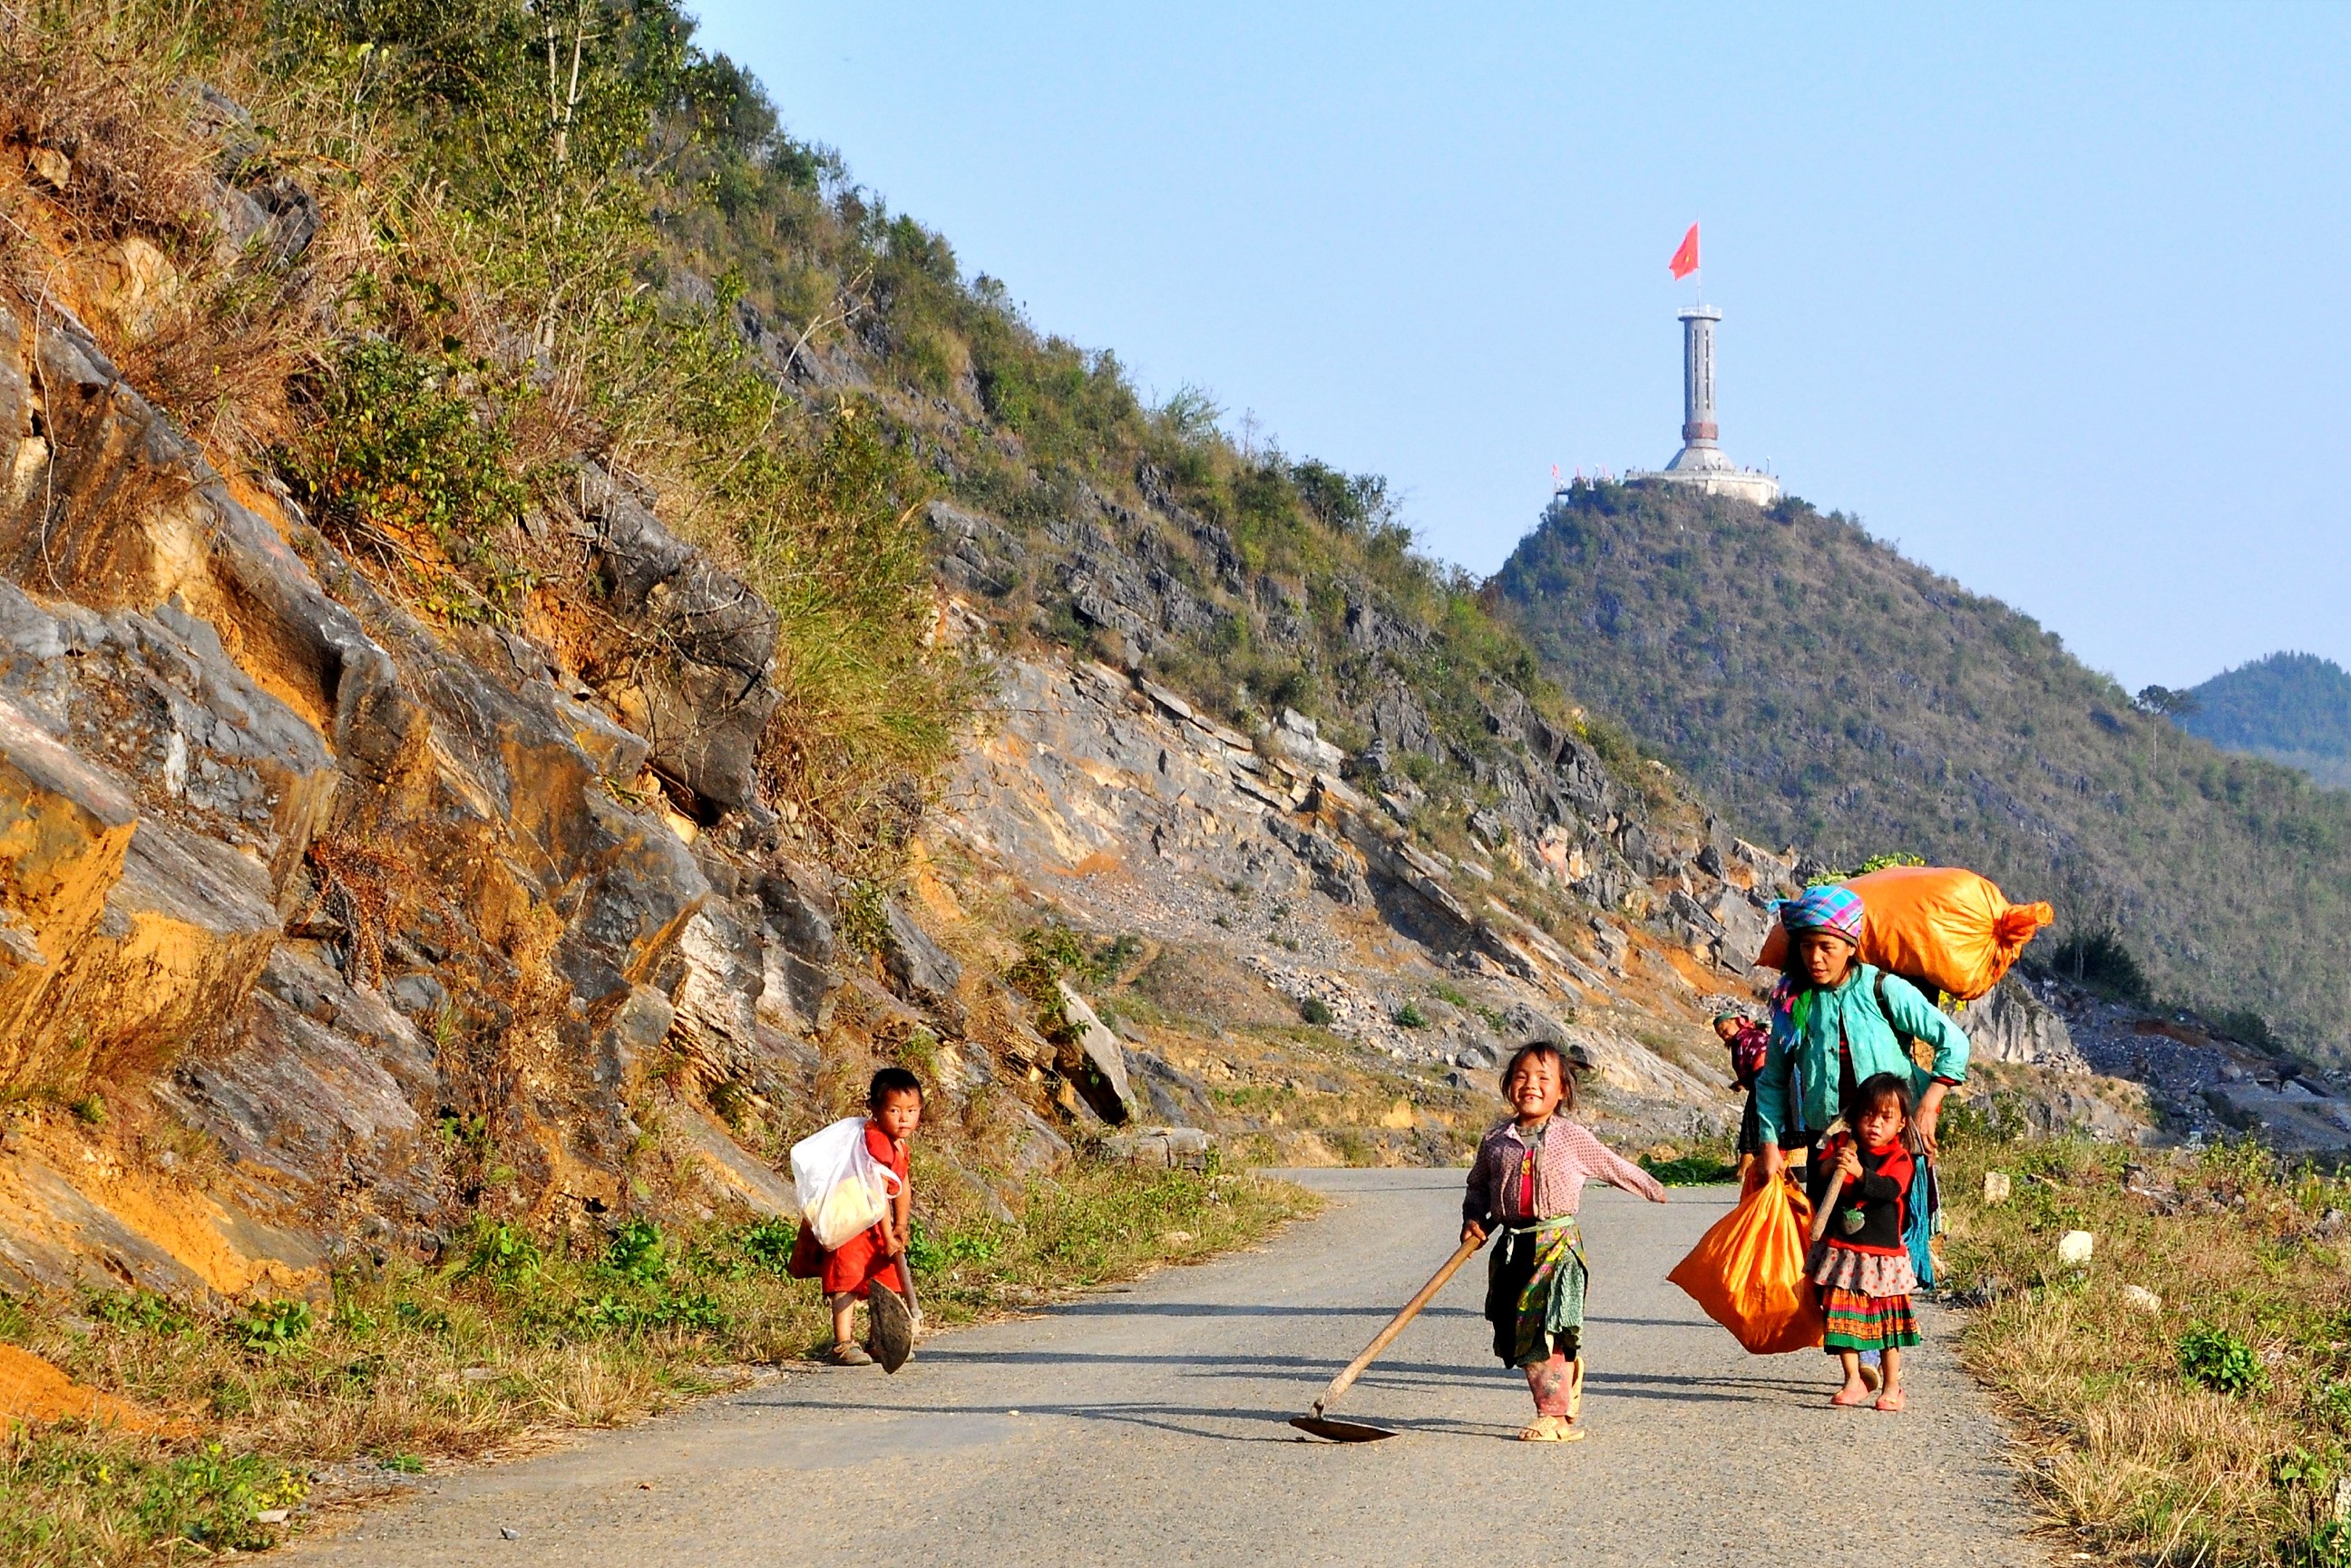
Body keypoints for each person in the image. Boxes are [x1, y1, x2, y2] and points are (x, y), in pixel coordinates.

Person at [1462, 1042, 1669, 1443]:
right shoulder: (1496, 1141)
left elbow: (1612, 1165)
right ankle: (1564, 1383)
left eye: (1543, 1078)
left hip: (1556, 1247)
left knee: (1546, 1328)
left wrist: (1651, 1187)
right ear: (1508, 1086)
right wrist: (1472, 1219)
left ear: (1562, 1092)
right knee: (1518, 1330)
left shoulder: (1571, 1137)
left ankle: (1553, 1418)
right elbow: (1478, 1188)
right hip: (1511, 1248)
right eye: (1521, 1077)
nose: (1531, 1086)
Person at [1752, 883, 1970, 1190]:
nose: (1815, 958)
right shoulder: (1795, 1003)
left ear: (1851, 946)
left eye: (1826, 947)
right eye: (1806, 946)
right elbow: (1773, 1080)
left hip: (1891, 1140)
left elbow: (1954, 1041)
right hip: (1828, 1141)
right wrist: (1769, 1146)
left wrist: (1928, 1106)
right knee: (1828, 1233)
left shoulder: (1882, 989)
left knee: (1889, 1229)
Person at [1808, 1073, 1923, 1411]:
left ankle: (1891, 1386)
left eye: (1886, 1119)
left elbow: (1890, 1190)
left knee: (1887, 1325)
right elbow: (1817, 1188)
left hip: (1880, 1256)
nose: (1875, 1125)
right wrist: (1830, 1167)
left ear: (1901, 1124)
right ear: (1855, 1116)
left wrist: (1859, 1173)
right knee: (1841, 1319)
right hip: (1842, 1250)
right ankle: (1853, 1380)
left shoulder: (1900, 1158)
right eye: (1868, 1115)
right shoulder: (1840, 1146)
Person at [807, 1067, 922, 1367]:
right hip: (853, 1220)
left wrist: (900, 1225)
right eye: (894, 1110)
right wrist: (887, 1236)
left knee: (886, 1281)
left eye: (911, 1111)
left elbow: (902, 1185)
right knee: (848, 1279)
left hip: (877, 1221)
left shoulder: (900, 1146)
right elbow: (877, 1193)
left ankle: (879, 1341)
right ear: (874, 1109)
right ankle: (842, 1343)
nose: (903, 1118)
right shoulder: (875, 1142)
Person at [1712, 1010, 1771, 1183]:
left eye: (1724, 1029)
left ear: (1736, 1022)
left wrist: (1744, 1082)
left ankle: (1743, 1171)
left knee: (1751, 1123)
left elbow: (1750, 1065)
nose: (1724, 1035)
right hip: (1770, 1081)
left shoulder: (1743, 1039)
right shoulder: (1752, 1036)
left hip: (1763, 1081)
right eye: (1720, 1034)